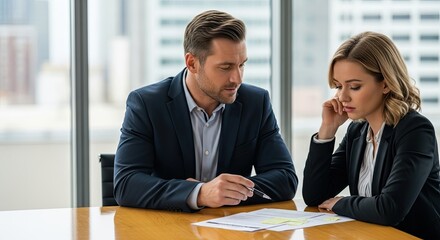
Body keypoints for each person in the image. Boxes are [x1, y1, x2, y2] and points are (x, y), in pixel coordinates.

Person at [114, 10, 298, 213]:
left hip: (229, 229)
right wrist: (199, 193)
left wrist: (223, 194)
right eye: (225, 67)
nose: (237, 79)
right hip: (167, 227)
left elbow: (285, 178)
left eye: (241, 65)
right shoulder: (147, 104)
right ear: (192, 63)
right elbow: (126, 184)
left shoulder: (256, 102)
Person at [302, 31, 440, 239]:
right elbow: (315, 196)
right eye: (339, 86)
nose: (342, 96)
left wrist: (341, 203)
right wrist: (327, 130)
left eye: (354, 86)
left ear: (385, 83)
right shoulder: (357, 131)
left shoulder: (415, 131)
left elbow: (390, 209)